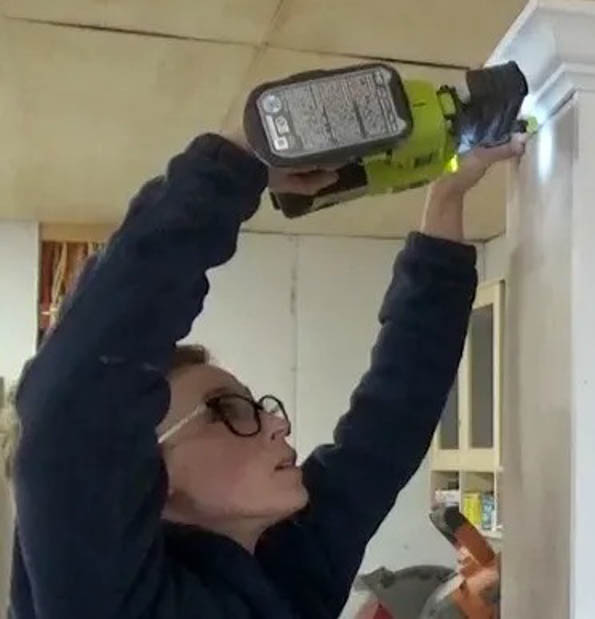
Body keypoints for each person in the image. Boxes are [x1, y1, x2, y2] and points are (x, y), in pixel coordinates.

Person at [8, 129, 524, 618]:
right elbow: (66, 412)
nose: (278, 425)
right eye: (225, 411)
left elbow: (391, 417)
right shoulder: (105, 599)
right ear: (150, 474)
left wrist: (449, 195)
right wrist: (239, 158)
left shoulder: (287, 568)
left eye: (256, 405)